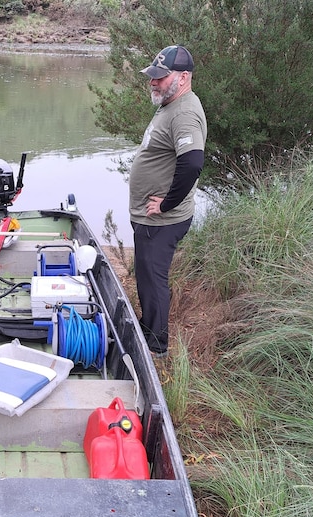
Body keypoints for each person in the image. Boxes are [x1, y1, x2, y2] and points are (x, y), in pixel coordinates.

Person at [129, 45, 207, 359]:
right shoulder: (171, 102)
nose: (154, 82)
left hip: (161, 221)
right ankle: (149, 329)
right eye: (153, 76)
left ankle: (156, 347)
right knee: (147, 276)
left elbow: (192, 163)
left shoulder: (185, 111)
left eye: (161, 77)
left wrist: (166, 205)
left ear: (183, 77)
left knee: (153, 279)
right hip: (152, 219)